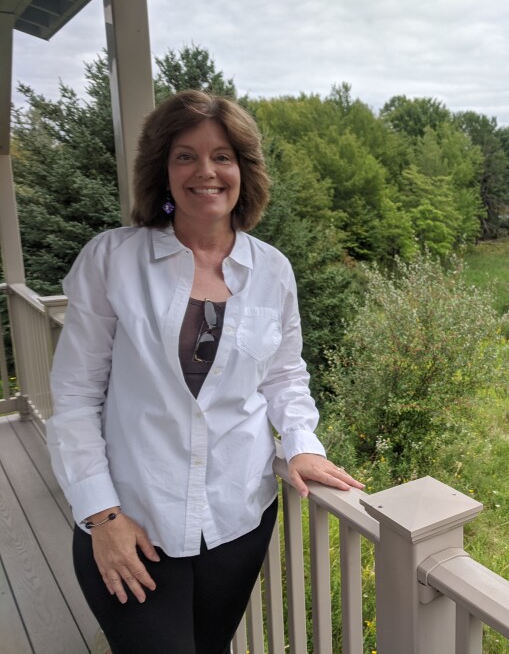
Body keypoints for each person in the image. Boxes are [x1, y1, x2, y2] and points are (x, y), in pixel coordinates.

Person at [46, 89, 362, 653]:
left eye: (222, 156)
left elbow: (284, 375)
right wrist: (102, 514)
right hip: (131, 522)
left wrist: (302, 442)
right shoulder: (113, 259)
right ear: (162, 171)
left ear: (244, 170)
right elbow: (74, 398)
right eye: (185, 155)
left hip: (236, 519)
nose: (206, 171)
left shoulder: (272, 270)